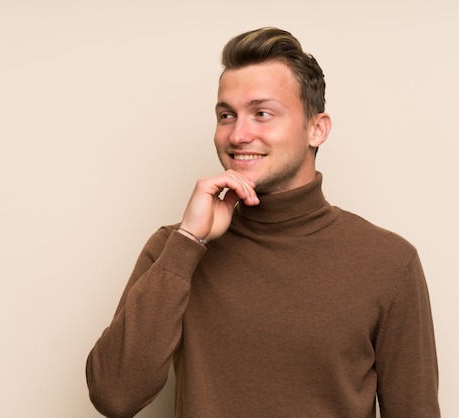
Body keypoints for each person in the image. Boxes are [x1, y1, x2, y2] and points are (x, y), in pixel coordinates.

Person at [86, 27, 440, 417]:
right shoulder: (175, 249)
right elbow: (114, 396)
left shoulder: (388, 262)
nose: (238, 134)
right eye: (226, 115)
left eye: (262, 113)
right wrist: (189, 241)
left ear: (316, 129)